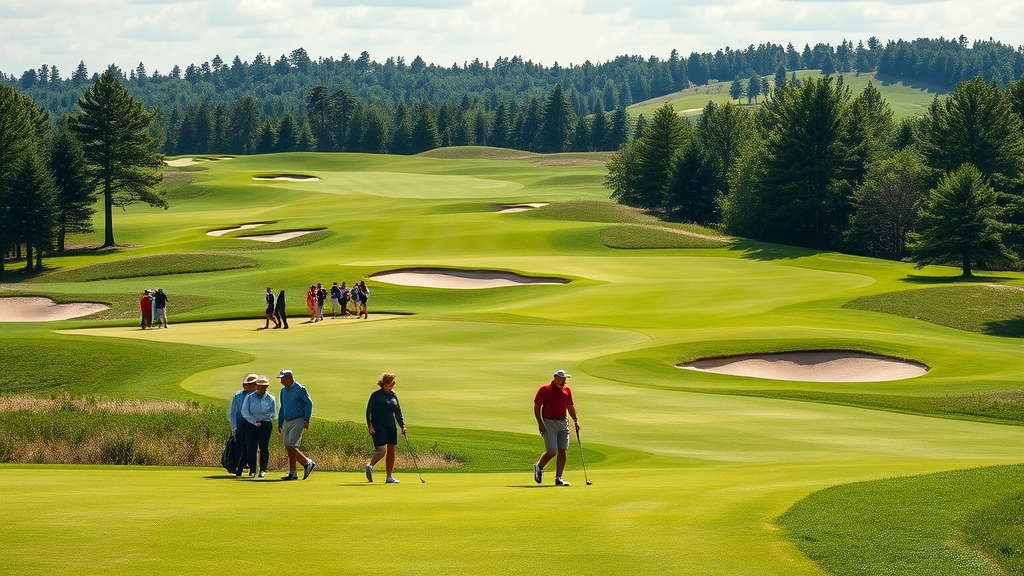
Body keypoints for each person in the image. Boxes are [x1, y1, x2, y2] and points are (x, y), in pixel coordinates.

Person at [533, 369, 580, 487]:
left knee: (563, 449)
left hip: (563, 423)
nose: (564, 380)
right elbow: (537, 406)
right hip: (549, 422)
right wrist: (540, 423)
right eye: (562, 378)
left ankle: (559, 477)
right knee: (552, 450)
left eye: (565, 378)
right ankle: (539, 467)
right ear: (555, 377)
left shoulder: (567, 390)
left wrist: (575, 420)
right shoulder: (545, 390)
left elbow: (570, 406)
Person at [365, 373, 406, 484]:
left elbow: (398, 412)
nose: (394, 384)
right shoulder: (376, 395)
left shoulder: (393, 395)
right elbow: (369, 411)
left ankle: (389, 477)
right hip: (378, 426)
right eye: (392, 382)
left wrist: (403, 425)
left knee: (391, 451)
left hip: (391, 427)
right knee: (382, 450)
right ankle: (370, 466)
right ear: (386, 382)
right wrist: (370, 425)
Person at [276, 369, 315, 480]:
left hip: (299, 419)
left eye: (283, 378)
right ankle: (293, 473)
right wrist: (280, 422)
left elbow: (308, 403)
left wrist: (307, 419)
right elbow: (283, 407)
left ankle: (307, 462)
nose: (282, 381)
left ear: (290, 377)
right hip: (287, 421)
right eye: (281, 379)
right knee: (288, 447)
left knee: (291, 445)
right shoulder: (283, 391)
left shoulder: (300, 389)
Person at [240, 375, 276, 478]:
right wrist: (253, 420)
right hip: (251, 424)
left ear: (266, 387)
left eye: (263, 386)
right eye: (259, 386)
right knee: (252, 447)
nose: (260, 388)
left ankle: (263, 469)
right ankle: (252, 470)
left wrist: (263, 418)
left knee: (264, 447)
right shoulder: (249, 397)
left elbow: (273, 413)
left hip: (265, 424)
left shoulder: (270, 398)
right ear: (256, 386)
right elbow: (245, 411)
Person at [228, 374, 259, 476]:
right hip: (241, 424)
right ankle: (243, 468)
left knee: (252, 448)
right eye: (251, 384)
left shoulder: (258, 396)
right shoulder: (238, 396)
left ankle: (249, 469)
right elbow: (233, 413)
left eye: (254, 384)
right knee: (243, 447)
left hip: (253, 425)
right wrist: (234, 427)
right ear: (245, 385)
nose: (254, 386)